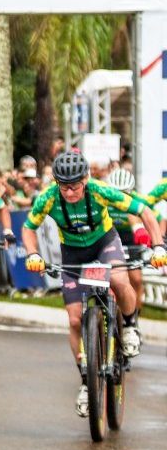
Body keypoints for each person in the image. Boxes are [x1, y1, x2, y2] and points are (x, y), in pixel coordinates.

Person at [22, 151, 166, 418]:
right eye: (64, 186)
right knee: (75, 320)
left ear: (86, 178)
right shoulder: (48, 198)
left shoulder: (100, 191)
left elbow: (144, 210)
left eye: (75, 185)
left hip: (104, 244)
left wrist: (157, 246)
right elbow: (28, 228)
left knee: (120, 279)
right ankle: (87, 381)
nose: (70, 192)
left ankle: (131, 326)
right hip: (73, 253)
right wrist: (32, 253)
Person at [105, 168, 156, 311]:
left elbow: (154, 219)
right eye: (117, 193)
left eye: (125, 193)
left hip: (130, 238)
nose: (121, 197)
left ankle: (135, 317)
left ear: (131, 191)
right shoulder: (104, 197)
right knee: (111, 278)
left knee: (136, 279)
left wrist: (151, 237)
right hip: (109, 236)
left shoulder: (138, 199)